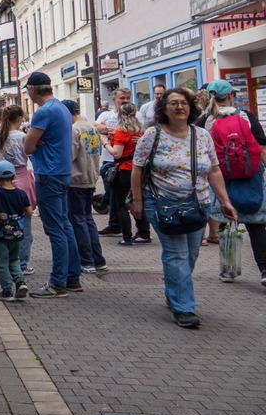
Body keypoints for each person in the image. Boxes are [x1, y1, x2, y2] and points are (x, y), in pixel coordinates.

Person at [130, 87, 238, 328]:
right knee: (176, 253)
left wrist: (225, 201)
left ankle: (174, 292)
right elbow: (137, 168)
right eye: (173, 103)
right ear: (164, 109)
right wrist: (137, 201)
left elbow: (214, 170)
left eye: (184, 103)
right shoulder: (152, 134)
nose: (180, 107)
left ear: (191, 108)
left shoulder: (202, 135)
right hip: (162, 203)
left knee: (190, 254)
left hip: (199, 203)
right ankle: (184, 308)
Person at [23, 71, 82, 299]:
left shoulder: (44, 112)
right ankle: (72, 277)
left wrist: (33, 140)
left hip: (48, 173)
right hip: (63, 172)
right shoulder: (62, 108)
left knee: (56, 229)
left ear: (33, 90)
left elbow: (27, 147)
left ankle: (58, 282)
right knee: (65, 225)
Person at [195, 79, 266, 249]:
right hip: (250, 173)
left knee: (225, 220)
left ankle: (229, 262)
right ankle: (263, 264)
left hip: (220, 175)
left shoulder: (204, 121)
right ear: (229, 96)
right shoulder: (246, 116)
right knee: (256, 224)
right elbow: (262, 147)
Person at [65, 100, 108, 275]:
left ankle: (87, 260)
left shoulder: (74, 130)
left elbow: (70, 155)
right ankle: (98, 260)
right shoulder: (91, 128)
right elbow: (97, 152)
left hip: (77, 179)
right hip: (90, 178)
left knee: (78, 220)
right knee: (87, 218)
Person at [0, 105, 36, 274]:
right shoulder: (22, 136)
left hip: (2, 178)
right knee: (25, 223)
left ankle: (7, 261)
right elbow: (31, 155)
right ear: (19, 119)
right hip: (21, 178)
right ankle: (21, 264)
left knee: (4, 220)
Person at [0, 160, 30, 302]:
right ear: (14, 176)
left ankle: (6, 291)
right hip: (17, 233)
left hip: (0, 235)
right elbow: (29, 211)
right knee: (14, 259)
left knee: (2, 263)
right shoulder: (21, 193)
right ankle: (20, 282)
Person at [106, 103, 147, 245]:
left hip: (124, 170)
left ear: (120, 115)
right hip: (139, 169)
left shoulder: (121, 131)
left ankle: (127, 237)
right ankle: (144, 233)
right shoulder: (141, 131)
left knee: (121, 204)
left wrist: (105, 143)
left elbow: (117, 153)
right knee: (138, 199)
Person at [96, 87, 132, 231]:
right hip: (109, 160)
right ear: (114, 100)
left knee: (122, 196)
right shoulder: (107, 115)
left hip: (126, 161)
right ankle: (114, 223)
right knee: (111, 194)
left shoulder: (134, 115)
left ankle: (119, 225)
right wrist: (107, 129)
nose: (125, 101)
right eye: (122, 98)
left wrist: (115, 133)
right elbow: (95, 126)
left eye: (127, 98)